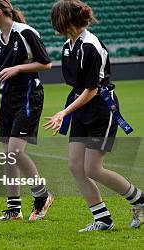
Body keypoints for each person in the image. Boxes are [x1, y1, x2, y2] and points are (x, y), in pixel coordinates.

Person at [44, 0, 143, 232]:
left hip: (100, 110)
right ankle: (103, 219)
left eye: (55, 19)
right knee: (75, 166)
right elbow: (78, 86)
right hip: (82, 107)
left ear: (65, 20)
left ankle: (140, 201)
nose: (53, 25)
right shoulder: (69, 46)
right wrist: (70, 111)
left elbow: (92, 89)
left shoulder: (90, 46)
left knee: (93, 169)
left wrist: (64, 112)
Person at [0, 0, 53, 222]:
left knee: (15, 152)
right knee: (7, 157)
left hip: (29, 97)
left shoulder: (25, 32)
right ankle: (14, 210)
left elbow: (46, 63)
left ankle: (42, 195)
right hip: (9, 101)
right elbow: (2, 80)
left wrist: (19, 67)